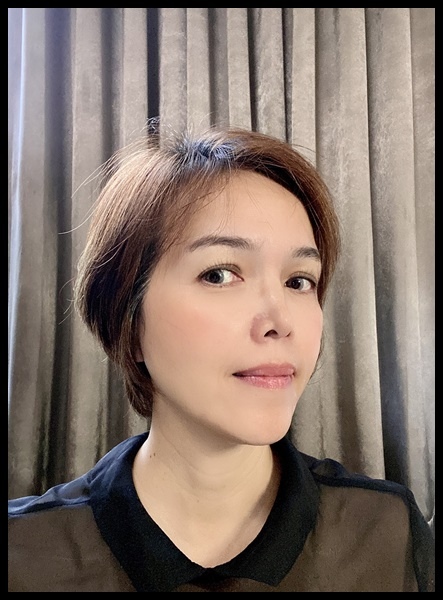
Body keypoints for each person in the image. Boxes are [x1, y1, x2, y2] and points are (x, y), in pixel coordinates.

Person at [8, 124, 434, 592]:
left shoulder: (387, 531)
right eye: (219, 275)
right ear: (128, 321)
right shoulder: (25, 555)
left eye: (299, 281)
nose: (280, 321)